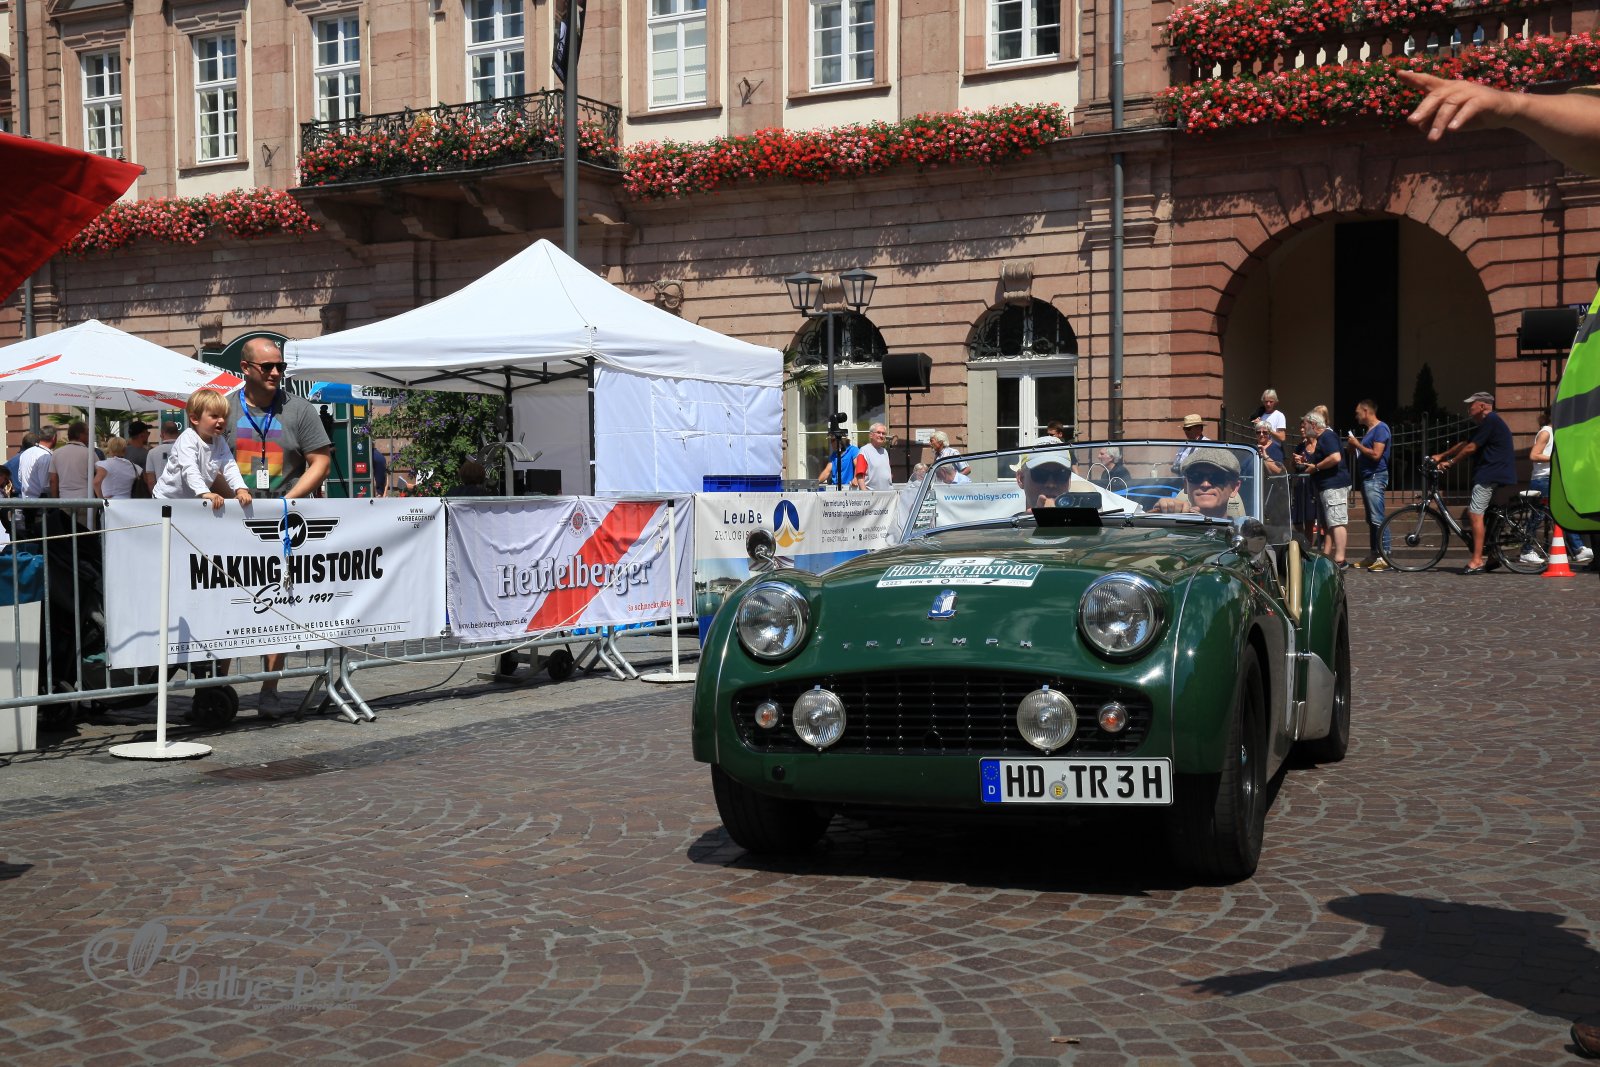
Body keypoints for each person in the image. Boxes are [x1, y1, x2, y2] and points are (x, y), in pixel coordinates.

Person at [226, 337, 332, 717]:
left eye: (280, 366)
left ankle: (269, 688)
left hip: (284, 524)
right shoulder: (224, 408)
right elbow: (207, 459)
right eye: (267, 366)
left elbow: (320, 461)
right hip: (233, 521)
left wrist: (290, 500)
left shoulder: (299, 409)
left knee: (278, 603)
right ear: (245, 368)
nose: (276, 372)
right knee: (227, 602)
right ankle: (217, 689)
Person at [1431, 391, 1516, 575]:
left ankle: (1477, 560)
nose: (1468, 408)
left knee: (1475, 513)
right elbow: (1465, 443)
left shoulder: (1491, 420)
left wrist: (1450, 463)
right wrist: (1442, 455)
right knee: (1489, 516)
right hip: (1495, 473)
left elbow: (1471, 448)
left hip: (1489, 474)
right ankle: (1493, 556)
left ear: (1482, 406)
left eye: (1471, 405)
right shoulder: (1488, 424)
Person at [154, 389, 253, 510]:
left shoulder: (219, 441)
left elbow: (229, 466)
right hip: (166, 499)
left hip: (191, 500)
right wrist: (204, 492)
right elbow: (189, 468)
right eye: (215, 416)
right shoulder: (188, 438)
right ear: (195, 419)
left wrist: (241, 489)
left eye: (224, 416)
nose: (222, 420)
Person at [1528, 414, 1592, 565]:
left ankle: (1578, 549)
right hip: (1543, 480)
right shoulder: (1546, 432)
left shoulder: (1556, 433)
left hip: (1552, 479)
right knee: (1538, 516)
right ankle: (1526, 550)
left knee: (1563, 512)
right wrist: (1557, 458)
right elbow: (1534, 455)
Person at [1295, 410, 1351, 568]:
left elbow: (1335, 457)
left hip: (1334, 485)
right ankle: (1339, 559)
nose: (1304, 428)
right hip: (1329, 486)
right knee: (1334, 521)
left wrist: (1317, 467)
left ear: (1313, 424)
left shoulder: (1327, 436)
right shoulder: (1323, 438)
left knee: (1337, 521)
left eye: (1305, 424)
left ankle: (1340, 560)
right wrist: (1307, 462)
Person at [1348, 399, 1392, 571]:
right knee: (1372, 519)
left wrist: (1357, 444)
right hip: (1368, 477)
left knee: (1378, 518)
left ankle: (1385, 556)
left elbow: (1376, 454)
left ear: (1366, 411)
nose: (1356, 416)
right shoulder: (1370, 431)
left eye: (1358, 412)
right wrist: (1354, 447)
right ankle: (1375, 554)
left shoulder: (1381, 429)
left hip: (1375, 477)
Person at [1154, 447, 1244, 519]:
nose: (1205, 484)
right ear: (1185, 485)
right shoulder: (1168, 527)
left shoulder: (1243, 533)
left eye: (1217, 477)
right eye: (1196, 477)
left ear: (1234, 488)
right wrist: (1160, 515)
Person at [143, 420, 181, 494]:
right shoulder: (187, 450)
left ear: (162, 434)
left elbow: (151, 481)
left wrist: (155, 495)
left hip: (162, 495)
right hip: (184, 496)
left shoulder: (152, 452)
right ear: (178, 434)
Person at [854, 422, 893, 490]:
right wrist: (864, 492)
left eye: (883, 433)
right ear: (871, 435)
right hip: (871, 493)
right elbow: (860, 475)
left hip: (887, 493)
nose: (881, 435)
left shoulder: (885, 452)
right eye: (878, 432)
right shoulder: (864, 451)